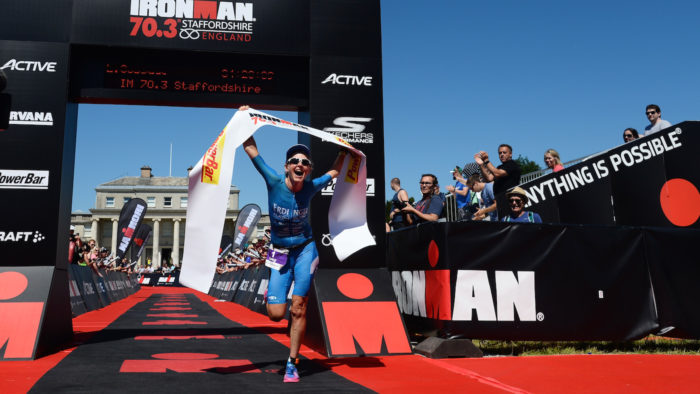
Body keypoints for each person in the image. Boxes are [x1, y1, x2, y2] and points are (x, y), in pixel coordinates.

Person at [240, 105, 345, 383]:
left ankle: (292, 363)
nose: (300, 164)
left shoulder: (312, 186)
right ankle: (277, 300)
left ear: (308, 170)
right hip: (278, 252)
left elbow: (335, 170)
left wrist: (346, 148)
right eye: (295, 161)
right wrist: (243, 119)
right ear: (287, 166)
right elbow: (250, 148)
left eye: (305, 162)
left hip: (305, 249)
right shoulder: (273, 180)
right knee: (276, 314)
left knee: (298, 307)